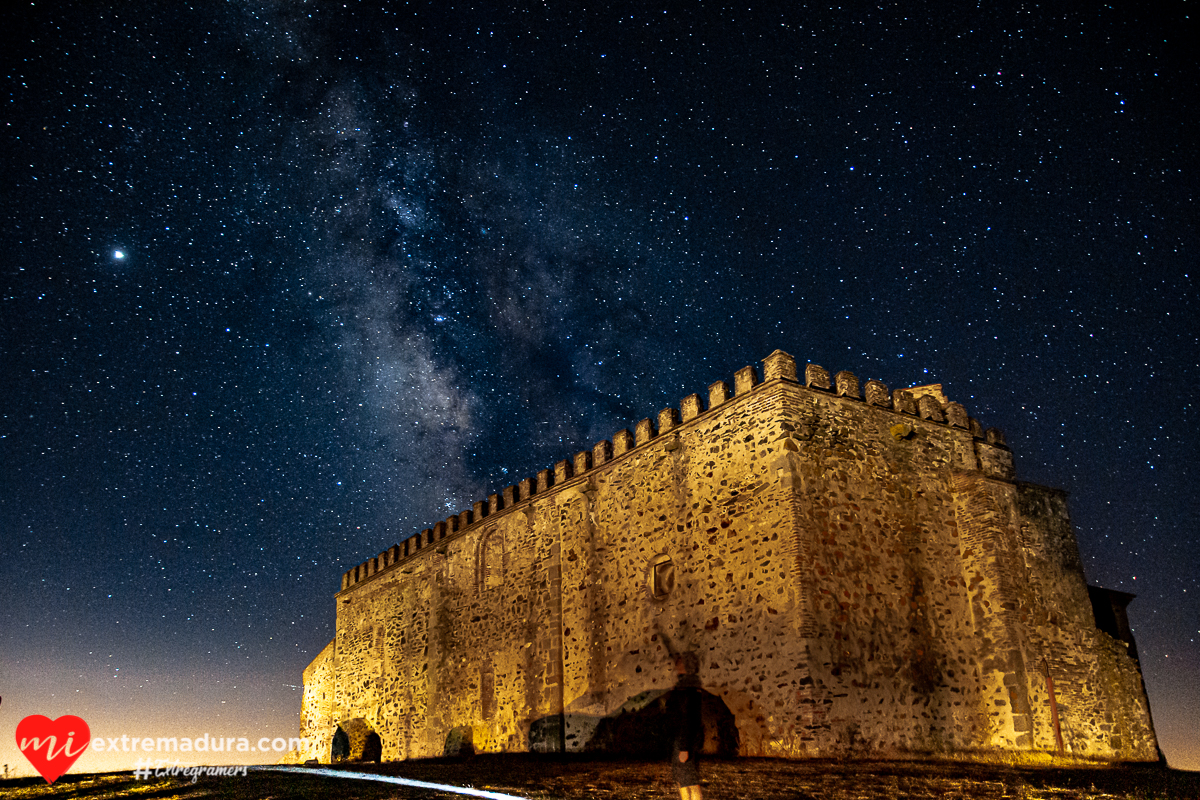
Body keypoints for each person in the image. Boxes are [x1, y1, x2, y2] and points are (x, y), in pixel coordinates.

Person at [669, 651, 704, 800]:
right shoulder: (688, 685)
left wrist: (684, 746)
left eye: (680, 662)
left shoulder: (687, 687)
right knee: (683, 780)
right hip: (683, 739)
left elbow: (687, 717)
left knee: (689, 780)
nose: (676, 664)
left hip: (685, 740)